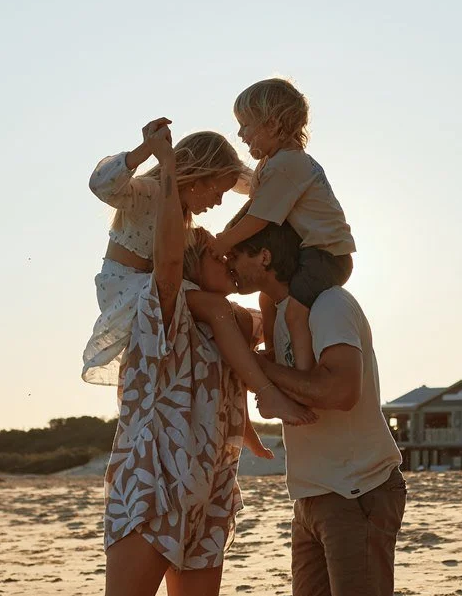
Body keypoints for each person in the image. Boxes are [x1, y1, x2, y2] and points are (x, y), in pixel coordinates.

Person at [24, 119, 259, 596]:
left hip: (208, 504)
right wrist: (163, 170)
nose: (224, 253)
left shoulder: (220, 332)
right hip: (148, 495)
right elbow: (162, 258)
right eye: (212, 251)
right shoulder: (159, 316)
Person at [226, 220, 406, 596]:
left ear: (266, 253)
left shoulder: (330, 305)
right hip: (310, 496)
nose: (232, 264)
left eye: (239, 254)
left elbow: (341, 391)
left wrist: (265, 373)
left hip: (357, 490)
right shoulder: (282, 315)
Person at [82, 120, 301, 445]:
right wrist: (148, 152)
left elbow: (251, 184)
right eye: (218, 191)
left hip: (150, 284)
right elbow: (101, 185)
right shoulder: (153, 192)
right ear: (197, 177)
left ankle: (241, 416)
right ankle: (265, 392)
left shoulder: (180, 209)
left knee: (233, 320)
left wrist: (282, 162)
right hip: (126, 290)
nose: (220, 201)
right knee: (216, 309)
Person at [209, 77, 355, 374]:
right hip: (311, 249)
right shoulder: (273, 164)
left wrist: (223, 242)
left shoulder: (288, 164)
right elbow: (253, 197)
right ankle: (276, 356)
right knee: (267, 299)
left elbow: (258, 217)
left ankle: (301, 373)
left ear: (272, 124)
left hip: (327, 255)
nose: (241, 133)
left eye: (246, 125)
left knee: (296, 313)